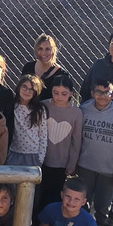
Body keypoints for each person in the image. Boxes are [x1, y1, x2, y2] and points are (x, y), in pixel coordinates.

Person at [77, 80, 113, 225]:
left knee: (104, 207)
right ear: (92, 93)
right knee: (82, 203)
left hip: (108, 171)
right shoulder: (83, 110)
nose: (102, 96)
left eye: (106, 92)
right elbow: (76, 140)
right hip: (85, 167)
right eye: (98, 92)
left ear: (112, 95)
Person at [41, 77, 83, 213]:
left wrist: (72, 164)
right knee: (39, 196)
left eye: (64, 93)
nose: (59, 97)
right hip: (41, 161)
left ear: (71, 93)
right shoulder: (43, 106)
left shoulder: (76, 112)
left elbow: (76, 140)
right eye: (55, 92)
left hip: (61, 164)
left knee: (55, 197)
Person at [7, 74, 49, 171]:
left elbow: (43, 135)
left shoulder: (39, 110)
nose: (27, 91)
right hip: (14, 152)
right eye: (25, 87)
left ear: (35, 92)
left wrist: (40, 159)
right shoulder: (12, 105)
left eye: (31, 89)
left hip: (32, 155)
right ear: (19, 87)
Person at [20, 33, 73, 97]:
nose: (43, 53)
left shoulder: (62, 74)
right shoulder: (28, 67)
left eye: (47, 49)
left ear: (53, 51)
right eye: (40, 49)